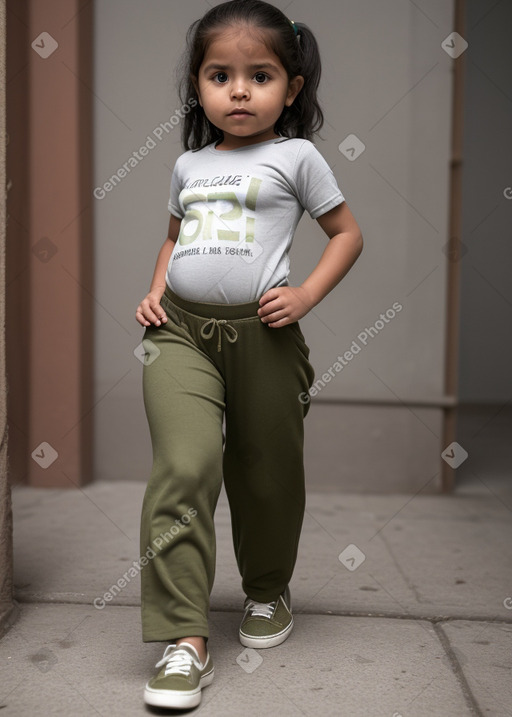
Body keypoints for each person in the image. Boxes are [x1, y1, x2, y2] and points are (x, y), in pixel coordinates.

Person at [135, 0, 363, 709]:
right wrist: (153, 292)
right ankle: (184, 637)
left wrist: (304, 298)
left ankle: (267, 590)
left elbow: (347, 234)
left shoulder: (297, 156)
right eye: (220, 75)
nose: (238, 90)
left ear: (290, 88)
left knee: (265, 471)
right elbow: (176, 237)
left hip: (263, 337)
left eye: (259, 75)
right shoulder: (188, 164)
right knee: (186, 464)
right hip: (179, 334)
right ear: (198, 86)